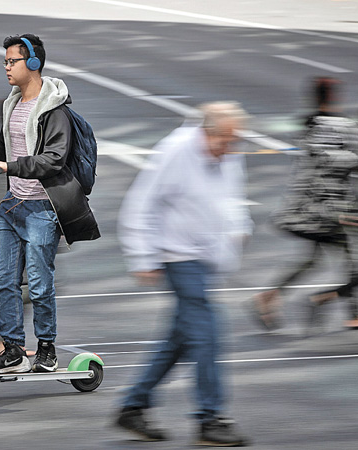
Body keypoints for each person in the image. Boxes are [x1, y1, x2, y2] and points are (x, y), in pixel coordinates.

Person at [0, 34, 100, 374]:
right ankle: (13, 350)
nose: (6, 67)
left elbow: (52, 160)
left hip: (42, 209)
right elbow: (4, 144)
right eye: (5, 61)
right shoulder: (14, 103)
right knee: (5, 280)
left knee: (38, 282)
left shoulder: (54, 111)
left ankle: (46, 349)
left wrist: (8, 167)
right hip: (13, 205)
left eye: (12, 61)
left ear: (32, 64)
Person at [114, 102, 253, 446]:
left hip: (205, 258)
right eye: (225, 141)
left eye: (235, 142)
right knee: (208, 334)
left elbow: (232, 197)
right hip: (177, 256)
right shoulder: (176, 150)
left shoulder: (226, 151)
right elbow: (141, 202)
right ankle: (210, 417)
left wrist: (238, 226)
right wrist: (142, 256)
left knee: (180, 340)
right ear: (207, 132)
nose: (231, 149)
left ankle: (133, 405)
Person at [249, 77, 358, 333]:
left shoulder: (308, 125)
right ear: (334, 96)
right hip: (331, 206)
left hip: (308, 204)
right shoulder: (341, 126)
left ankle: (270, 296)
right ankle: (353, 313)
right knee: (355, 257)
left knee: (317, 258)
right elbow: (355, 165)